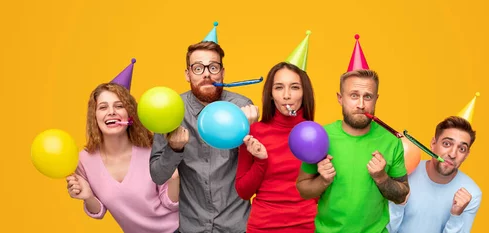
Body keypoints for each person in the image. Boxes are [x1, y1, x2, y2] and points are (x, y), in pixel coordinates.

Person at [149, 40, 259, 233]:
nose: (207, 74)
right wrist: (174, 150)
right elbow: (157, 176)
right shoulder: (172, 112)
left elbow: (260, 171)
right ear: (187, 74)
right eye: (198, 68)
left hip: (237, 226)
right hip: (192, 226)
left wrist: (249, 133)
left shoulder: (242, 108)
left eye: (213, 67)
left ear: (223, 73)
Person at [296, 69, 410, 233]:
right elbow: (303, 190)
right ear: (340, 98)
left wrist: (381, 177)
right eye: (354, 95)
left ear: (376, 99)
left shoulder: (391, 141)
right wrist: (323, 181)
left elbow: (402, 195)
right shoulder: (320, 137)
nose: (361, 105)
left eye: (368, 96)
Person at [66, 83, 180, 233]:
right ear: (94, 116)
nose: (111, 112)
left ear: (129, 114)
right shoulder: (84, 160)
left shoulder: (152, 149)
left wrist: (174, 179)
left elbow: (170, 204)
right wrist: (88, 197)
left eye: (119, 106)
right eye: (103, 107)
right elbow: (98, 211)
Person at [235, 62, 318, 233]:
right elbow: (243, 191)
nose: (287, 95)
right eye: (279, 88)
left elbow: (322, 190)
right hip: (263, 227)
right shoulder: (253, 132)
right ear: (271, 95)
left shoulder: (317, 134)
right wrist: (260, 161)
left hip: (308, 226)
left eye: (295, 87)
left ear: (304, 93)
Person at [387, 116, 482, 233]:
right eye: (447, 144)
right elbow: (385, 230)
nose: (452, 154)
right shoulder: (405, 174)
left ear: (466, 155)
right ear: (433, 143)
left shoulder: (471, 193)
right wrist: (398, 204)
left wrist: (456, 216)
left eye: (461, 149)